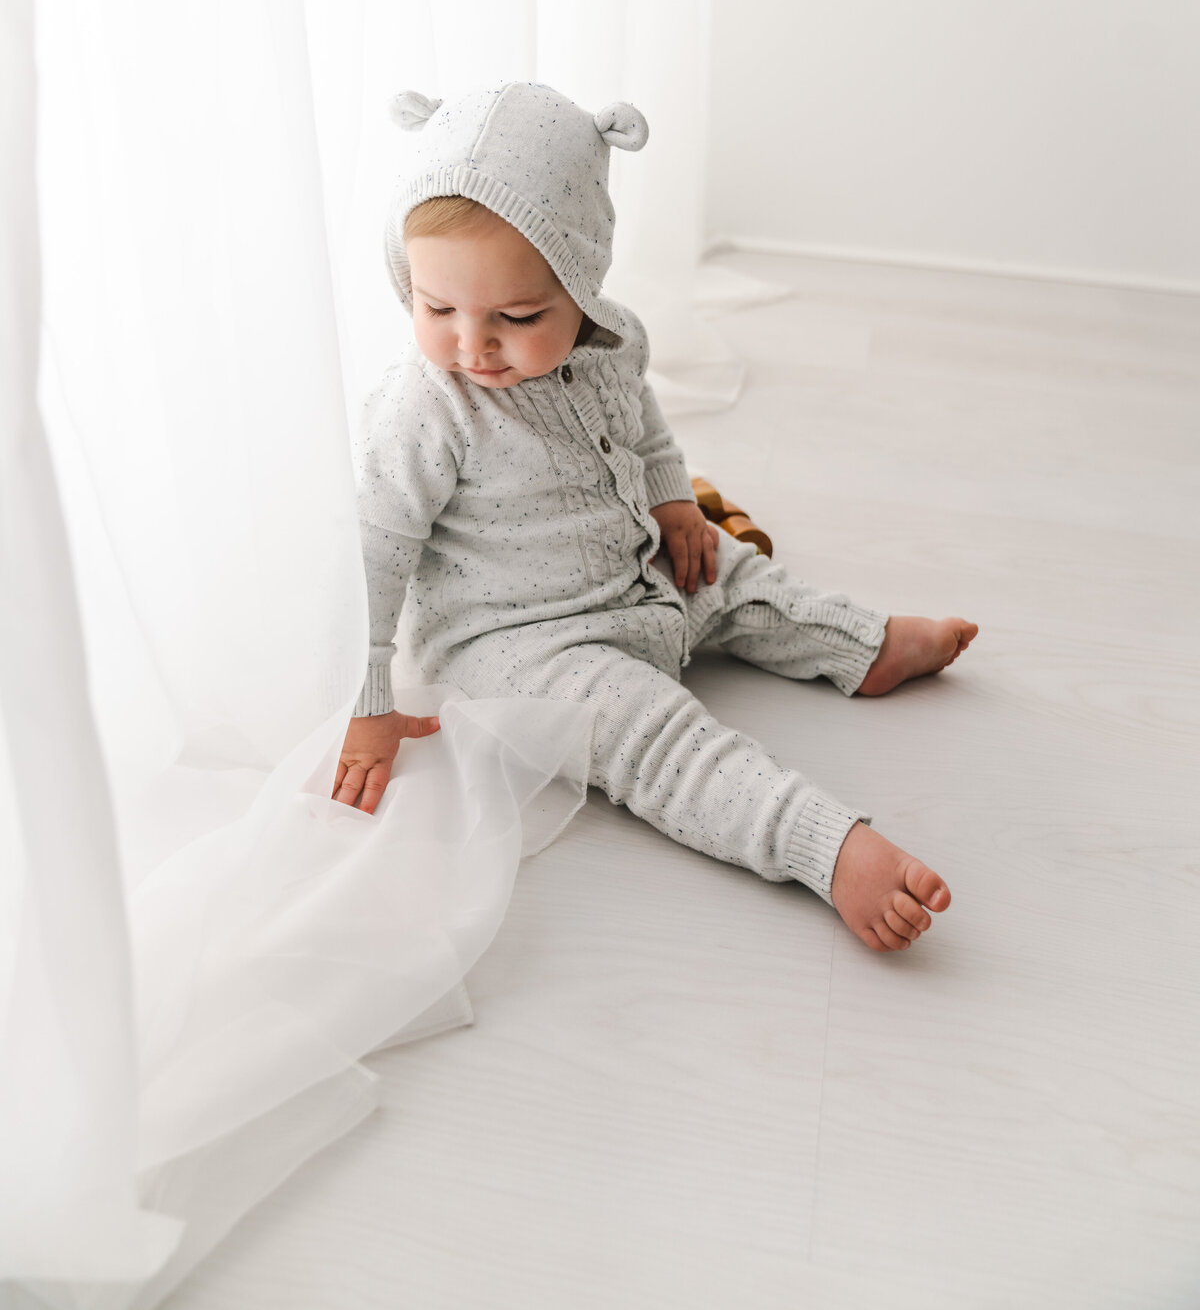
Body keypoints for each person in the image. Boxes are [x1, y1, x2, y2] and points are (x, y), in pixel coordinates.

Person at [333, 83, 977, 953]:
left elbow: (643, 424)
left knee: (737, 575)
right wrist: (371, 698)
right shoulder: (425, 410)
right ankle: (828, 848)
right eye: (435, 307)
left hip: (636, 563)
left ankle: (861, 644)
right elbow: (374, 552)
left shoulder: (616, 339)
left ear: (581, 280)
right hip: (522, 643)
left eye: (516, 317)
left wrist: (672, 496)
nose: (471, 344)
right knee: (657, 739)